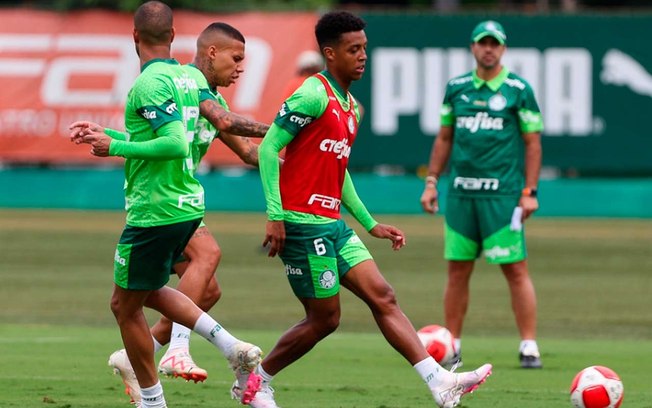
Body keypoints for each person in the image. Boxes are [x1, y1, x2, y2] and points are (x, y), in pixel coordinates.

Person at [243, 10, 492, 408]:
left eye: (364, 48)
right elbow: (271, 147)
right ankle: (255, 380)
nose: (362, 56)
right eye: (353, 49)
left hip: (334, 225)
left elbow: (338, 171)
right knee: (325, 319)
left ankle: (438, 381)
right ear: (330, 53)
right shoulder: (312, 93)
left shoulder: (351, 108)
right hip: (302, 226)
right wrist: (275, 214)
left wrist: (370, 223)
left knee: (383, 296)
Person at [69, 3, 265, 407]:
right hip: (186, 203)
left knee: (124, 305)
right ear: (174, 36)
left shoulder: (150, 83)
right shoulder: (185, 78)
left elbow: (174, 142)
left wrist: (114, 146)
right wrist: (102, 132)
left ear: (134, 37)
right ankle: (226, 347)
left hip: (156, 208)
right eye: (236, 59)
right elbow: (194, 130)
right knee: (157, 288)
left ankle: (160, 387)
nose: (239, 66)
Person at [419, 20, 544, 369]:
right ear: (473, 48)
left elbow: (533, 143)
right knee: (457, 271)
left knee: (515, 269)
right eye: (482, 43)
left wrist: (529, 191)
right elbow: (444, 138)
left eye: (495, 43)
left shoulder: (519, 89)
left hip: (503, 197)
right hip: (461, 195)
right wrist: (431, 182)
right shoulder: (457, 88)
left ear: (503, 49)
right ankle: (452, 343)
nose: (488, 48)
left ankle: (529, 345)